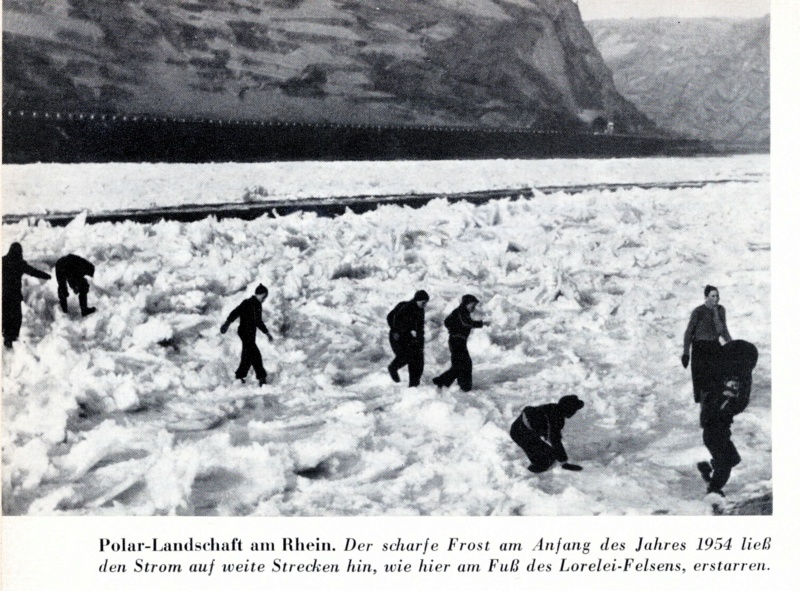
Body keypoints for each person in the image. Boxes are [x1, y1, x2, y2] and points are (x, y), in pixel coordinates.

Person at [697, 339, 758, 497]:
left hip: (719, 431)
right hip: (715, 431)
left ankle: (708, 471)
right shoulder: (719, 393)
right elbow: (731, 404)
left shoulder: (723, 385)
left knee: (733, 459)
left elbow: (737, 402)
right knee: (725, 462)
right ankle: (714, 490)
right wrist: (727, 403)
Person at [682, 285, 732, 403]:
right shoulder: (698, 311)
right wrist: (685, 353)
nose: (716, 298)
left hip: (714, 346)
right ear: (706, 297)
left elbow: (723, 330)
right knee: (702, 385)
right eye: (713, 296)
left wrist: (732, 345)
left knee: (717, 380)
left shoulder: (720, 310)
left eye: (717, 296)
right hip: (700, 348)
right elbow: (689, 332)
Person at [510, 395, 585, 473]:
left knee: (551, 455)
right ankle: (526, 475)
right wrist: (564, 462)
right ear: (569, 410)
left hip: (523, 430)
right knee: (545, 461)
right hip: (520, 434)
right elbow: (555, 441)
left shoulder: (553, 407)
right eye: (574, 410)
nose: (575, 412)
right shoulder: (556, 419)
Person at [432, 294, 489, 392]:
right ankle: (454, 384)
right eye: (472, 305)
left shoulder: (462, 312)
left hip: (458, 341)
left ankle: (461, 385)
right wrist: (481, 324)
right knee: (463, 364)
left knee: (462, 364)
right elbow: (465, 323)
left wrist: (453, 328)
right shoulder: (461, 311)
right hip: (456, 341)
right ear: (466, 303)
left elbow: (448, 321)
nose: (474, 308)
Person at [221, 284, 274, 386]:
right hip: (245, 332)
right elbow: (236, 312)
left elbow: (258, 321)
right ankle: (261, 377)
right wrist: (227, 323)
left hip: (250, 333)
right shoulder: (247, 303)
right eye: (264, 297)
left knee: (247, 355)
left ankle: (240, 376)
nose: (264, 299)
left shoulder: (258, 305)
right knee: (255, 354)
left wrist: (267, 333)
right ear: (260, 294)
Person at [2, 242, 51, 349]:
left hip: (3, 296)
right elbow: (33, 272)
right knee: (16, 318)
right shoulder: (19, 263)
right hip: (14, 297)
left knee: (5, 318)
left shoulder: (3, 261)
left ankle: (6, 340)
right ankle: (12, 341)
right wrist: (47, 276)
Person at [387, 289, 429, 387]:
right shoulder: (405, 307)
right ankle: (393, 368)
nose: (425, 305)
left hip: (408, 336)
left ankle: (414, 384)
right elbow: (390, 317)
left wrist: (420, 344)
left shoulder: (420, 310)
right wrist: (394, 330)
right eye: (423, 302)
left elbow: (420, 328)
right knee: (406, 356)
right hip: (396, 336)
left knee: (418, 358)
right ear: (417, 300)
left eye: (426, 303)